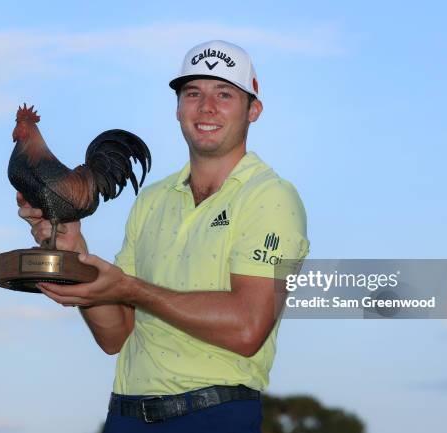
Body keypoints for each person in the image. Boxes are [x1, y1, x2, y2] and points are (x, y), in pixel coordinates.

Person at [17, 40, 309, 433]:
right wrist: (74, 250)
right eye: (193, 93)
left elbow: (247, 329)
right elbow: (115, 335)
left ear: (253, 110)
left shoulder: (272, 197)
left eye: (224, 94)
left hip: (214, 414)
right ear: (178, 109)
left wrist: (132, 289)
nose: (207, 107)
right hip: (125, 415)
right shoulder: (152, 200)